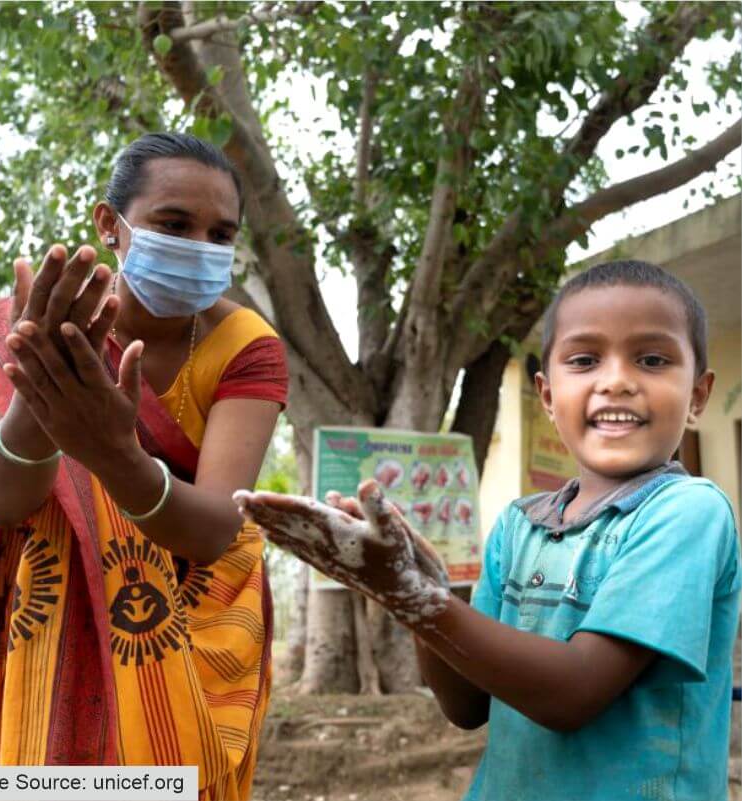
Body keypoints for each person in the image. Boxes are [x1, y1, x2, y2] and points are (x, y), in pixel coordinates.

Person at [234, 260, 741, 800]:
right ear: (548, 396)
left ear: (698, 395)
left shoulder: (687, 512)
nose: (616, 380)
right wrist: (422, 590)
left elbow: (574, 693)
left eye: (653, 359)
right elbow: (466, 707)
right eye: (585, 359)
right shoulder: (519, 527)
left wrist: (416, 600)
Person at [0, 133, 287, 800]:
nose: (200, 248)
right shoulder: (43, 320)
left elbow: (216, 528)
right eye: (174, 224)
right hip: (48, 632)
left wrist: (112, 454)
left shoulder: (246, 346)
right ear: (110, 223)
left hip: (191, 638)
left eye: (221, 234)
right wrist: (42, 382)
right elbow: (4, 500)